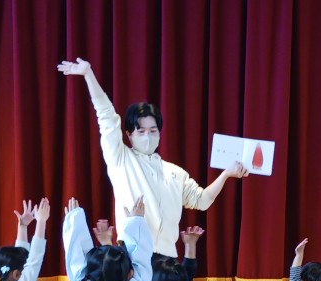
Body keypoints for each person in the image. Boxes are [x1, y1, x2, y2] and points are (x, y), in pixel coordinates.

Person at [57, 57, 248, 258]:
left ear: (160, 133)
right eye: (141, 131)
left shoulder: (176, 173)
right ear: (129, 134)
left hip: (167, 259)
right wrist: (88, 75)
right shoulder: (121, 159)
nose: (147, 136)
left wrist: (226, 174)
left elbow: (202, 200)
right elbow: (106, 117)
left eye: (153, 130)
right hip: (132, 256)